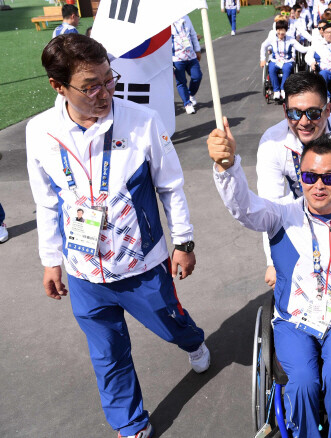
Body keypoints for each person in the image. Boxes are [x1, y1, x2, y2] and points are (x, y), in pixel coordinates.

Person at [27, 34, 209, 438]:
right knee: (107, 355)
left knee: (172, 326)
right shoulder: (39, 132)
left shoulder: (142, 120)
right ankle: (130, 423)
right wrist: (50, 261)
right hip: (83, 271)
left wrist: (184, 242)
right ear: (59, 87)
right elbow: (45, 202)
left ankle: (193, 341)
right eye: (90, 85)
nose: (104, 92)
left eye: (109, 79)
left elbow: (171, 186)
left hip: (141, 264)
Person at [209, 124, 331, 438]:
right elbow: (243, 207)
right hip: (294, 322)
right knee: (302, 382)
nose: (319, 186)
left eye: (329, 178)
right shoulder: (281, 216)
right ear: (300, 177)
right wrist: (227, 167)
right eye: (310, 176)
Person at [255, 71, 331, 289]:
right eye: (294, 113)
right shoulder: (272, 142)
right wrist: (273, 261)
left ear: (327, 110)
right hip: (297, 215)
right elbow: (270, 206)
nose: (303, 122)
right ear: (284, 110)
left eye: (313, 113)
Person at [260, 20, 309, 100]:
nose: (280, 33)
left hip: (287, 60)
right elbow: (263, 46)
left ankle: (283, 89)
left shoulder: (290, 39)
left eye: (283, 30)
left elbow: (302, 49)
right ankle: (276, 91)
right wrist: (263, 59)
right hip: (275, 60)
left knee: (286, 69)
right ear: (276, 30)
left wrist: (313, 48)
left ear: (286, 30)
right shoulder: (272, 38)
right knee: (271, 69)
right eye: (279, 30)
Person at [171, 14, 202, 115]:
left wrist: (197, 50)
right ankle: (187, 104)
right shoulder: (166, 20)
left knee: (197, 76)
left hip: (191, 55)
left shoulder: (186, 17)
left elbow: (193, 34)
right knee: (181, 82)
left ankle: (190, 94)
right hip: (177, 58)